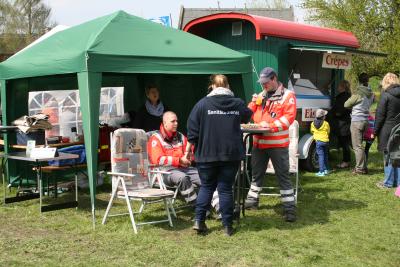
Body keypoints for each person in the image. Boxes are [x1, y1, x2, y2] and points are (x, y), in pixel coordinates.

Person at [187, 74, 252, 236]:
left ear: (212, 86)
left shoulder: (201, 104)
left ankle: (199, 221)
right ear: (228, 87)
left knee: (206, 187)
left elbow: (192, 132)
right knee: (225, 189)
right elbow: (247, 115)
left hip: (206, 155)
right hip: (230, 155)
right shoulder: (237, 103)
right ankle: (227, 226)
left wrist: (190, 149)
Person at [244, 67, 297, 222]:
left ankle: (289, 209)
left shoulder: (288, 96)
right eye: (262, 83)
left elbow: (289, 118)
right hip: (259, 144)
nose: (263, 86)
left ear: (274, 79)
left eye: (266, 83)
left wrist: (270, 126)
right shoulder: (261, 95)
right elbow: (249, 114)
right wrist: (253, 104)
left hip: (277, 145)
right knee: (256, 174)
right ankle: (252, 201)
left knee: (283, 177)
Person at [147, 111, 200, 204]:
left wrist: (189, 158)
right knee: (182, 178)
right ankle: (198, 206)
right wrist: (179, 160)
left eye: (177, 121)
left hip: (184, 168)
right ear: (165, 123)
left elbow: (191, 151)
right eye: (173, 121)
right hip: (165, 172)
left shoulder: (180, 136)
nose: (176, 123)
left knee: (206, 176)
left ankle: (220, 208)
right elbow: (158, 159)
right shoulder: (155, 139)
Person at [344, 73, 374, 175]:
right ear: (368, 81)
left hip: (357, 120)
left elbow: (346, 104)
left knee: (357, 146)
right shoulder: (371, 92)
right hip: (365, 120)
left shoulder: (358, 93)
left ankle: (360, 168)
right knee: (360, 145)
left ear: (359, 81)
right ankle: (364, 167)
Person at [374, 73, 400, 189]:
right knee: (398, 156)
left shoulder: (385, 95)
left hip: (387, 129)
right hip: (399, 128)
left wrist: (374, 132)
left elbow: (379, 116)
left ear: (385, 82)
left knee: (388, 156)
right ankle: (398, 183)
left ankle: (389, 182)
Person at [332, 80, 352, 168]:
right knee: (345, 143)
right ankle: (346, 160)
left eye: (339, 86)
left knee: (345, 143)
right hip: (344, 122)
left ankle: (346, 161)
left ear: (343, 87)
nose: (338, 88)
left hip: (343, 123)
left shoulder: (344, 97)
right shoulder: (346, 96)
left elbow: (343, 108)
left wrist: (337, 113)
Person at [311, 109, 330, 176]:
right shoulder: (326, 123)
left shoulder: (313, 123)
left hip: (318, 142)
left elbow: (312, 131)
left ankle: (321, 171)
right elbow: (328, 131)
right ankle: (326, 170)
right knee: (325, 155)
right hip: (325, 141)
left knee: (320, 156)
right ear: (323, 117)